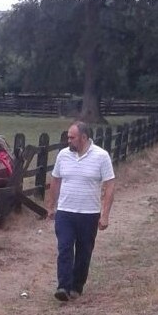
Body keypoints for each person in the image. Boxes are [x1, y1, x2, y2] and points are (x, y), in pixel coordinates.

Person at [46, 121, 115, 301]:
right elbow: (55, 180)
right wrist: (51, 206)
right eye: (68, 137)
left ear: (84, 138)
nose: (68, 140)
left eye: (72, 137)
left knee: (84, 251)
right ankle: (63, 286)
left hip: (88, 214)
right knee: (65, 248)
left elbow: (109, 186)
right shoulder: (63, 155)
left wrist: (105, 215)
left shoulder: (101, 156)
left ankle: (77, 286)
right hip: (65, 212)